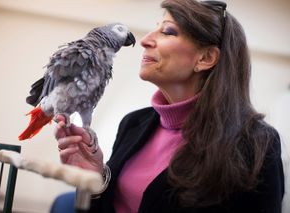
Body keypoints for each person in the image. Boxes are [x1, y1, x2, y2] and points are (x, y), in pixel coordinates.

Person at [51, 0, 284, 212]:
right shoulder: (133, 123)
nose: (145, 40)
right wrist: (95, 179)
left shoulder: (257, 144)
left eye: (167, 31)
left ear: (205, 59)